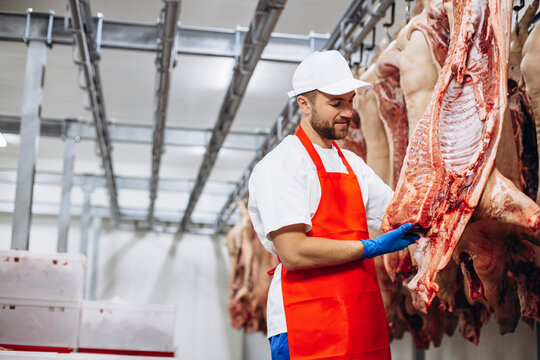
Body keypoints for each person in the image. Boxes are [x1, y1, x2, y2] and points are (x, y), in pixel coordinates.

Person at [247, 50, 419, 360]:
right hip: (306, 323)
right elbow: (295, 252)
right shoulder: (282, 165)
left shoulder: (354, 165)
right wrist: (370, 248)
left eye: (350, 101)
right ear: (304, 102)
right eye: (335, 103)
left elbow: (400, 213)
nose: (348, 112)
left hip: (360, 317)